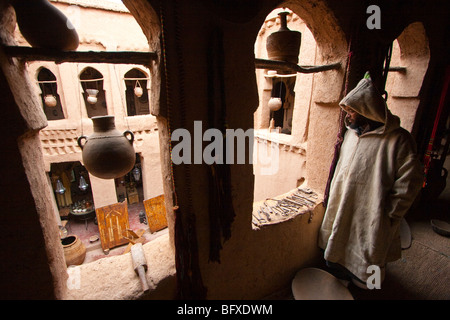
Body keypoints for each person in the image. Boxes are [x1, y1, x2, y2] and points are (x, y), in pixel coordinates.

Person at [318, 73, 423, 288]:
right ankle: (342, 285)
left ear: (369, 109)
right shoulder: (351, 135)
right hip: (345, 205)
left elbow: (410, 183)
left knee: (368, 259)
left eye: (353, 110)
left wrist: (389, 214)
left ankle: (369, 290)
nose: (349, 114)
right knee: (338, 250)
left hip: (373, 213)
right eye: (347, 110)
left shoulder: (398, 140)